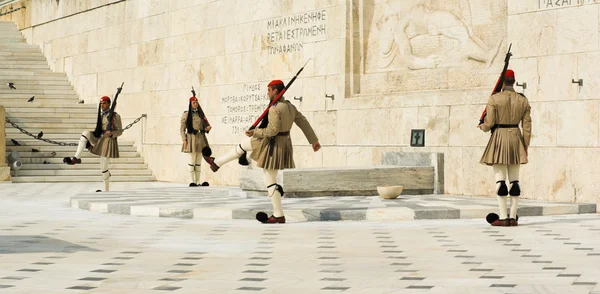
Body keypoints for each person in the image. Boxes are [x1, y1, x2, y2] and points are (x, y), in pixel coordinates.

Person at [204, 80, 321, 224]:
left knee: (269, 179)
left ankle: (278, 215)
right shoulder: (290, 107)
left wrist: (255, 132)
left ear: (276, 91)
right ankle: (217, 163)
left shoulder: (274, 109)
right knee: (243, 145)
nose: (267, 93)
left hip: (273, 144)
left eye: (269, 90)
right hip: (282, 143)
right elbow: (303, 121)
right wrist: (313, 140)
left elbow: (272, 130)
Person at [376, 1, 502, 69]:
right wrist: (425, 63)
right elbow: (408, 59)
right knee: (459, 30)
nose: (394, 15)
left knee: (459, 27)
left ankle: (482, 53)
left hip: (434, 18)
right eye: (389, 17)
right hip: (433, 21)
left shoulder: (401, 20)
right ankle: (485, 56)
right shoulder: (398, 30)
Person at [478, 69, 532, 226]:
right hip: (516, 138)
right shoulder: (523, 100)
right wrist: (525, 145)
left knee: (500, 181)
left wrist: (482, 126)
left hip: (499, 138)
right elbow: (527, 126)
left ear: (502, 82)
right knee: (514, 182)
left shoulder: (494, 98)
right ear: (514, 81)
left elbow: (489, 124)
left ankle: (502, 217)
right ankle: (513, 217)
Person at [63, 95, 123, 192]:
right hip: (99, 137)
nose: (102, 105)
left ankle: (106, 190)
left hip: (108, 141)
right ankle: (76, 158)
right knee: (85, 133)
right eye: (101, 103)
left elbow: (120, 131)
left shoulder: (115, 116)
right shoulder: (101, 115)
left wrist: (112, 133)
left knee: (104, 167)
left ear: (109, 104)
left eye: (104, 103)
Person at [181, 96, 212, 187]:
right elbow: (182, 129)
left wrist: (207, 129)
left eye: (197, 102)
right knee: (192, 160)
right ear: (190, 104)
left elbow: (203, 127)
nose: (196, 104)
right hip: (191, 138)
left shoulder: (200, 114)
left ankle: (198, 181)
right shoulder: (186, 114)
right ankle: (192, 181)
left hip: (201, 138)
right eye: (194, 103)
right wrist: (184, 139)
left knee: (198, 161)